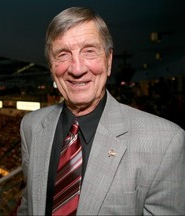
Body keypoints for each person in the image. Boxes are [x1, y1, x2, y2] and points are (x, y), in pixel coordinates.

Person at [17, 6, 185, 215]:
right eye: (63, 54)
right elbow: (28, 203)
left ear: (108, 60)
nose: (77, 69)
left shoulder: (165, 141)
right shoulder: (31, 126)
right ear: (52, 67)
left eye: (89, 51)